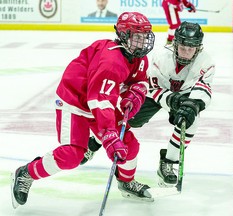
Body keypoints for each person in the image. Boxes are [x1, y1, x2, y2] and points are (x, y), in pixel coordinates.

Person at [10, 11, 155, 209]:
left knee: (129, 145)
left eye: (145, 36)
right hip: (75, 101)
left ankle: (127, 182)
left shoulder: (138, 57)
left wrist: (136, 92)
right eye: (137, 37)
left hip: (97, 100)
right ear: (123, 35)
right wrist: (109, 134)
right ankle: (26, 173)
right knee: (72, 155)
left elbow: (139, 79)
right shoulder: (111, 62)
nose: (143, 42)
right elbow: (101, 101)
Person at [81, 21, 215, 188]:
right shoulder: (162, 57)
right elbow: (152, 87)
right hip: (159, 94)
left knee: (190, 122)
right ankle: (93, 142)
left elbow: (203, 88)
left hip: (184, 96)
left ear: (198, 47)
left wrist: (193, 106)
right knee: (128, 119)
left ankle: (168, 162)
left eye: (191, 48)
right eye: (182, 47)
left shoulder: (206, 62)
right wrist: (172, 101)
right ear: (175, 44)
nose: (186, 52)